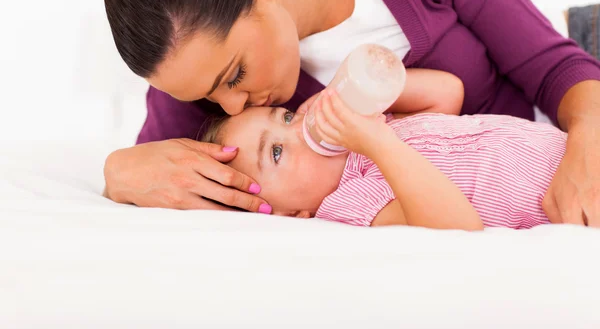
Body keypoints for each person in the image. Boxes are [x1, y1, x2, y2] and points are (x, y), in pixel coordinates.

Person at [103, 0, 600, 226]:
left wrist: (588, 142)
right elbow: (156, 167)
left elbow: (559, 69)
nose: (229, 107)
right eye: (207, 95)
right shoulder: (203, 69)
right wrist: (118, 171)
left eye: (235, 76)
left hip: (582, 71)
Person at [200, 77, 565, 230]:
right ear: (291, 214)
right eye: (277, 152)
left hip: (571, 151)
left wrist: (361, 90)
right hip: (565, 199)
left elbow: (447, 92)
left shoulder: (372, 127)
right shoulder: (350, 199)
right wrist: (377, 143)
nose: (299, 129)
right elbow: (459, 228)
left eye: (289, 116)